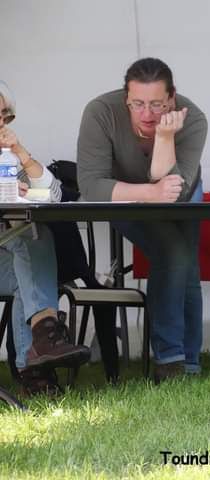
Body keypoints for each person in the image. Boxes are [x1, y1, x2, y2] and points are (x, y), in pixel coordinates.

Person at [77, 58, 208, 383]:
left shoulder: (193, 121)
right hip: (124, 195)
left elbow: (176, 193)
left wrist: (165, 139)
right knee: (174, 251)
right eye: (137, 104)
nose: (147, 114)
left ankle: (188, 363)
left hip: (180, 187)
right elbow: (92, 187)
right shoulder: (100, 112)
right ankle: (170, 360)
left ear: (172, 99)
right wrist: (149, 193)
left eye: (156, 104)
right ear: (126, 99)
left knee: (186, 263)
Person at [0, 82, 91, 395]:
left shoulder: (7, 159)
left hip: (9, 262)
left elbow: (53, 196)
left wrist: (21, 155)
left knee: (31, 250)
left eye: (3, 116)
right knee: (30, 247)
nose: (0, 123)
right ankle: (45, 346)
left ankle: (37, 366)